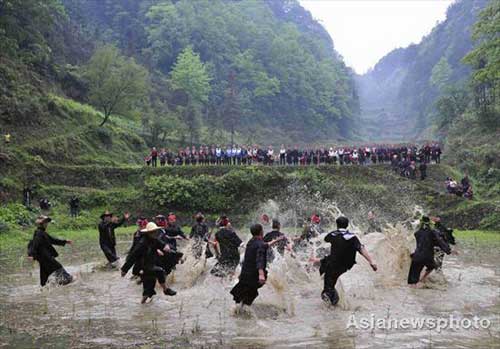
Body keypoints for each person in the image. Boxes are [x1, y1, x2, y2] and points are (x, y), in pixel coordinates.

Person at [310, 216, 377, 306]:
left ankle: (332, 304)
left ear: (337, 225)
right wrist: (371, 262)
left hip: (333, 265)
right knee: (331, 270)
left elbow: (326, 239)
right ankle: (336, 297)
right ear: (347, 225)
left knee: (328, 286)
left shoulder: (333, 235)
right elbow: (361, 249)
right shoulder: (353, 237)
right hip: (347, 265)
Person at [230, 223, 286, 307]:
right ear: (261, 232)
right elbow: (259, 259)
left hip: (245, 275)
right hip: (254, 275)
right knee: (249, 296)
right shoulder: (260, 244)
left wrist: (276, 240)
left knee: (242, 296)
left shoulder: (251, 242)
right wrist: (261, 274)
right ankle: (244, 312)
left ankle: (238, 312)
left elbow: (265, 245)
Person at [121, 222, 177, 303]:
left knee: (148, 290)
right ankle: (165, 289)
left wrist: (166, 247)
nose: (155, 233)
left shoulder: (154, 240)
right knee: (160, 271)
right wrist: (124, 270)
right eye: (153, 232)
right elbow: (132, 257)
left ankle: (142, 305)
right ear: (148, 233)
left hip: (151, 265)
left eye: (155, 231)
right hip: (143, 266)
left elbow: (162, 244)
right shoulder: (142, 243)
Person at [27, 216, 73, 286]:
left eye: (47, 222)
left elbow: (53, 240)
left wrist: (65, 241)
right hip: (46, 257)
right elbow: (34, 244)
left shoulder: (42, 233)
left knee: (44, 279)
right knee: (58, 267)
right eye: (46, 222)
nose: (47, 224)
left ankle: (43, 289)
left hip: (42, 259)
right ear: (42, 224)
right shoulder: (39, 233)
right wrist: (31, 254)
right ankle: (65, 281)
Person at [407, 216, 453, 287]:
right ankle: (422, 280)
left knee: (412, 283)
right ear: (430, 223)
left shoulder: (417, 233)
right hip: (427, 257)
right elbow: (440, 242)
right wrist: (449, 251)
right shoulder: (433, 232)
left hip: (416, 257)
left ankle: (415, 288)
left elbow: (422, 243)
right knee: (432, 266)